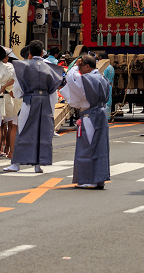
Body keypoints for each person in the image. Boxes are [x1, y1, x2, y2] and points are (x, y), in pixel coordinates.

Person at [3, 40, 64, 173]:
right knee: (41, 132)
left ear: (29, 53)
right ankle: (38, 165)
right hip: (45, 101)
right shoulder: (50, 66)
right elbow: (53, 90)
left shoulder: (22, 66)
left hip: (29, 101)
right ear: (42, 52)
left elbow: (18, 88)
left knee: (23, 130)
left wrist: (19, 95)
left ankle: (16, 164)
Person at [61, 54, 110, 189]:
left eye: (81, 66)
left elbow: (71, 78)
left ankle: (91, 180)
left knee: (88, 148)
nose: (80, 69)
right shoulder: (102, 77)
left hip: (90, 115)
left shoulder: (88, 79)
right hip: (100, 113)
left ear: (87, 66)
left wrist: (75, 66)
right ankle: (99, 179)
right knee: (100, 148)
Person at [98, 52, 115, 121]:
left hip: (104, 86)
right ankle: (108, 117)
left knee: (103, 102)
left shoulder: (104, 67)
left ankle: (104, 117)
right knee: (108, 101)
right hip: (110, 85)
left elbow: (102, 76)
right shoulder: (111, 67)